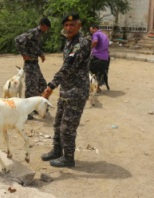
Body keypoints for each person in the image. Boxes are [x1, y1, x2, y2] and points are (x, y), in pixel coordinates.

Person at [41, 13, 91, 167]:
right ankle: (57, 151)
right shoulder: (69, 42)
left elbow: (67, 67)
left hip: (77, 92)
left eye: (72, 25)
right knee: (57, 124)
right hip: (66, 90)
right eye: (66, 25)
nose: (68, 28)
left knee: (67, 127)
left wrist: (51, 85)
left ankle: (68, 158)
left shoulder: (81, 44)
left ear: (79, 26)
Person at [15, 18, 51, 120]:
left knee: (42, 85)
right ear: (43, 26)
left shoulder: (39, 34)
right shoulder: (33, 32)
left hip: (35, 64)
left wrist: (41, 54)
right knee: (31, 88)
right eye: (46, 28)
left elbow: (34, 46)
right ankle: (27, 112)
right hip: (30, 64)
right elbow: (18, 40)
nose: (46, 30)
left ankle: (37, 107)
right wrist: (24, 54)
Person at [89, 25, 110, 91]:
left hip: (97, 56)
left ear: (95, 28)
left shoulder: (96, 34)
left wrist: (90, 48)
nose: (91, 32)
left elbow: (95, 42)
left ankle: (92, 88)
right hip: (106, 57)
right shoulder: (104, 35)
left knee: (91, 72)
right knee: (100, 73)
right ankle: (97, 87)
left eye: (91, 30)